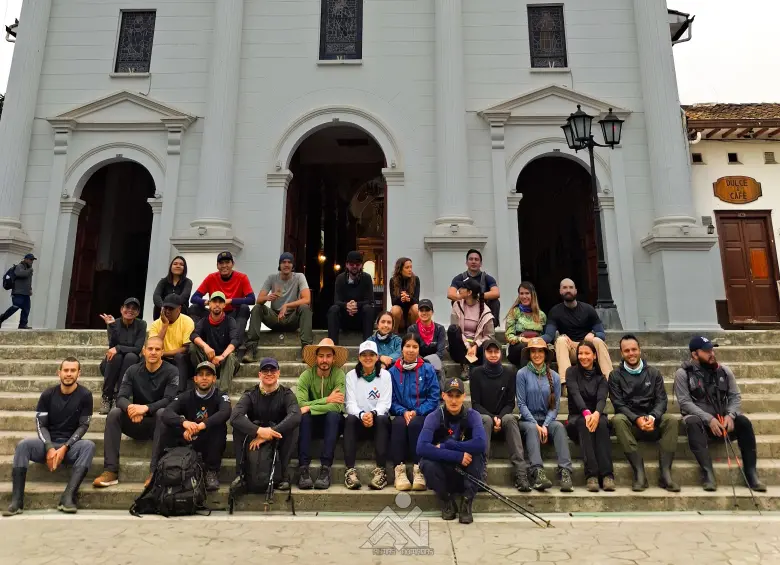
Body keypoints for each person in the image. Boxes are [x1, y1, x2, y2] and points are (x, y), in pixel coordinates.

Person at [3, 357, 95, 516]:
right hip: (47, 445)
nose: (69, 374)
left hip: (71, 447)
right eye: (66, 370)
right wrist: (50, 448)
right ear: (59, 372)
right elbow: (41, 425)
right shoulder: (47, 395)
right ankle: (17, 501)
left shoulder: (85, 395)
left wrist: (65, 447)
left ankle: (68, 497)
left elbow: (83, 426)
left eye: (73, 370)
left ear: (79, 373)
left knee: (89, 446)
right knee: (23, 445)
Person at [675, 336, 766, 492]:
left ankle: (751, 474)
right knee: (692, 422)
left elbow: (735, 396)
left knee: (744, 422)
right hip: (702, 423)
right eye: (706, 351)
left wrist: (730, 415)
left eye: (712, 349)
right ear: (694, 354)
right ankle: (708, 474)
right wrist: (708, 419)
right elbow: (685, 403)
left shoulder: (724, 371)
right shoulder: (683, 374)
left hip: (723, 421)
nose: (711, 354)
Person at [92, 336, 179, 489]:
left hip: (159, 425)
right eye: (150, 349)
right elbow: (121, 397)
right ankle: (110, 470)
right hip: (136, 421)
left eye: (157, 349)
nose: (153, 352)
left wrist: (145, 409)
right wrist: (131, 409)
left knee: (162, 413)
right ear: (144, 351)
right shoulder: (133, 370)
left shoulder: (172, 371)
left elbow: (170, 399)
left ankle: (154, 472)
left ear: (162, 352)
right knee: (114, 413)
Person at [610, 334, 680, 492]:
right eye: (626, 350)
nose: (631, 353)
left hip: (652, 422)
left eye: (634, 349)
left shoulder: (653, 373)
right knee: (618, 419)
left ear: (640, 350)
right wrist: (637, 419)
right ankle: (639, 472)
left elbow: (662, 400)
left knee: (671, 420)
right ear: (621, 354)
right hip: (631, 426)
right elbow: (618, 404)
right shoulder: (615, 376)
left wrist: (652, 417)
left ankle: (665, 473)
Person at [418, 377, 486, 525]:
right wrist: (456, 456)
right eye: (450, 396)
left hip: (466, 473)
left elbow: (481, 444)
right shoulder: (434, 417)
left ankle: (467, 502)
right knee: (426, 463)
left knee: (477, 455)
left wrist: (448, 445)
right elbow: (421, 447)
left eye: (457, 396)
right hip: (444, 474)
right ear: (443, 396)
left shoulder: (472, 415)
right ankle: (446, 500)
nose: (453, 401)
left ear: (464, 397)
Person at [156, 361, 231, 491]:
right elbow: (167, 412)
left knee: (219, 426)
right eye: (201, 375)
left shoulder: (221, 395)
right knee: (167, 422)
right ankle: (166, 467)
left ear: (214, 379)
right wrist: (183, 423)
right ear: (195, 379)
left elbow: (225, 412)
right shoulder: (185, 396)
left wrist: (201, 425)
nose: (204, 377)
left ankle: (211, 471)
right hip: (189, 437)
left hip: (209, 438)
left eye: (208, 375)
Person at [230, 357, 301, 491]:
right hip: (255, 435)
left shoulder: (287, 394)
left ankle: (284, 475)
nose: (269, 373)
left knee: (294, 426)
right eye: (265, 370)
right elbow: (235, 416)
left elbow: (296, 415)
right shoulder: (250, 393)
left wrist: (270, 432)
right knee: (238, 427)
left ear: (278, 373)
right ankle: (241, 474)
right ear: (260, 375)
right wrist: (259, 431)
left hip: (278, 435)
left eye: (273, 370)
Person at [469, 338, 530, 492]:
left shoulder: (509, 373)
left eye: (496, 351)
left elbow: (510, 403)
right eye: (490, 352)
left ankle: (521, 474)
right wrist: (492, 418)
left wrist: (500, 418)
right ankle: (480, 474)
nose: (493, 354)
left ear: (501, 354)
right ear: (485, 353)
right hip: (485, 421)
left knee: (510, 418)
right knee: (485, 419)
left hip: (503, 419)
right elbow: (475, 404)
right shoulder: (476, 373)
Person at [516, 337, 573, 492]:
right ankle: (537, 471)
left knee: (559, 427)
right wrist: (536, 424)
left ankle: (565, 471)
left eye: (540, 351)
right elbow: (521, 404)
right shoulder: (522, 374)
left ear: (545, 354)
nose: (537, 355)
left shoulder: (554, 376)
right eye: (533, 351)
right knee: (533, 429)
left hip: (547, 420)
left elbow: (554, 408)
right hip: (528, 421)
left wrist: (546, 425)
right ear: (529, 354)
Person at [389, 333, 441, 492]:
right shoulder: (392, 372)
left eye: (415, 347)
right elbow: (390, 399)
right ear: (402, 348)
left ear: (419, 349)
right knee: (397, 424)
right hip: (401, 413)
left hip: (422, 413)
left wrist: (417, 411)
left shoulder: (427, 369)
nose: (411, 350)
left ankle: (419, 468)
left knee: (416, 424)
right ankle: (399, 470)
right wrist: (403, 411)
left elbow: (434, 397)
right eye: (408, 346)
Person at [296, 338, 347, 490]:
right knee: (304, 417)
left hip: (333, 424)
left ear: (333, 358)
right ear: (316, 357)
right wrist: (327, 399)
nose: (324, 360)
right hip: (312, 424)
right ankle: (303, 468)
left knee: (333, 415)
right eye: (321, 356)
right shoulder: (306, 376)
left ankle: (325, 468)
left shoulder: (339, 375)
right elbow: (300, 404)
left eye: (328, 356)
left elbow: (337, 406)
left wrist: (311, 407)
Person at [564, 341, 615, 492]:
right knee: (584, 424)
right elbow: (575, 394)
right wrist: (587, 414)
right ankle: (591, 475)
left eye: (587, 353)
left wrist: (596, 414)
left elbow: (601, 399)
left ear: (594, 356)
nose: (583, 357)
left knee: (602, 424)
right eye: (580, 353)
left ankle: (607, 475)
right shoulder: (571, 372)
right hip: (577, 418)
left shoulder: (601, 378)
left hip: (596, 416)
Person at [244, 252, 313, 361]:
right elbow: (259, 300)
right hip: (274, 318)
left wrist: (287, 305)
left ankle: (306, 349)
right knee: (257, 308)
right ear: (279, 265)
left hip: (292, 319)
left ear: (292, 265)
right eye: (283, 262)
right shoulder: (272, 278)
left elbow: (307, 299)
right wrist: (267, 297)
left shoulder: (299, 277)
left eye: (289, 262)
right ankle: (251, 349)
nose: (286, 265)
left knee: (305, 307)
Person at [343, 341, 392, 490]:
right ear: (359, 357)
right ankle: (350, 470)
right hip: (359, 420)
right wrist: (363, 415)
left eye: (371, 354)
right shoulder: (351, 376)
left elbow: (385, 403)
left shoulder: (385, 375)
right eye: (364, 355)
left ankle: (381, 471)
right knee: (350, 419)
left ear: (377, 357)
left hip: (378, 421)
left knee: (383, 418)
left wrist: (372, 414)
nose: (368, 358)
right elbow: (349, 404)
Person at [542, 278, 612, 381]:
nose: (568, 290)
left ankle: (610, 381)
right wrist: (533, 340)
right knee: (560, 340)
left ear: (576, 291)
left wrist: (594, 335)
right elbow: (549, 336)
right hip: (571, 349)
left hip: (588, 348)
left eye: (571, 287)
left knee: (597, 340)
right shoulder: (555, 311)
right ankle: (565, 383)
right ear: (560, 291)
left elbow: (602, 334)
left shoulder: (588, 309)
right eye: (565, 288)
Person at [190, 251, 255, 345]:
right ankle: (199, 342)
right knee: (194, 308)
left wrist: (230, 301)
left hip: (233, 315)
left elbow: (251, 299)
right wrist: (209, 302)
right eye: (221, 263)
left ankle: (236, 344)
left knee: (244, 308)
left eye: (227, 262)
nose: (224, 265)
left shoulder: (242, 277)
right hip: (214, 314)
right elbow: (194, 298)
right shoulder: (211, 278)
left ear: (232, 264)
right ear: (217, 266)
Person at [97, 297, 147, 415]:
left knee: (131, 356)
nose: (130, 310)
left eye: (134, 309)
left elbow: (137, 349)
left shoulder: (141, 324)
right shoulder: (114, 323)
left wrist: (119, 348)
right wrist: (112, 327)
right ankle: (107, 397)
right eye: (127, 307)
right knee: (116, 356)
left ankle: (119, 397)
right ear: (121, 309)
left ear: (138, 312)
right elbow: (112, 347)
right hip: (113, 364)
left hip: (130, 362)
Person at [190, 291, 240, 389]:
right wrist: (206, 347)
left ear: (224, 305)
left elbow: (235, 340)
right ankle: (202, 377)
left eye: (220, 302)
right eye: (214, 301)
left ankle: (222, 393)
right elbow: (193, 335)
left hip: (225, 362)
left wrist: (222, 356)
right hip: (209, 361)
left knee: (230, 356)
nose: (217, 304)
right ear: (209, 303)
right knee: (192, 347)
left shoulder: (230, 321)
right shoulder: (204, 321)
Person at [447, 277, 495, 378]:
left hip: (477, 348)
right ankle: (465, 364)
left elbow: (489, 336)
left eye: (462, 287)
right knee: (452, 329)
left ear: (469, 292)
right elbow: (456, 329)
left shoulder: (485, 311)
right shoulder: (457, 305)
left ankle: (472, 365)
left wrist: (475, 345)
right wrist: (468, 346)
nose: (459, 289)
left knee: (489, 344)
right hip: (461, 346)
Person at [327, 250, 375, 343]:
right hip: (345, 318)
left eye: (357, 264)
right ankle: (332, 345)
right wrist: (347, 306)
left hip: (361, 318)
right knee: (333, 309)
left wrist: (356, 305)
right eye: (352, 264)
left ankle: (368, 345)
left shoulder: (366, 278)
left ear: (361, 265)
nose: (354, 267)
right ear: (347, 265)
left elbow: (370, 300)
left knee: (368, 309)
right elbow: (336, 300)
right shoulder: (340, 278)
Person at [148, 294, 194, 389]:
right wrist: (165, 325)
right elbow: (154, 346)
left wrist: (163, 353)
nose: (167, 311)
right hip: (162, 359)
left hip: (179, 360)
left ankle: (179, 394)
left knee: (179, 357)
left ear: (179, 309)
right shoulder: (156, 324)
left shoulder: (187, 321)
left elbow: (186, 348)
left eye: (171, 309)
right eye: (166, 308)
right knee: (148, 357)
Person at [447, 249, 501, 325]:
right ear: (466, 263)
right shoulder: (459, 278)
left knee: (495, 302)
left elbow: (496, 293)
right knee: (454, 301)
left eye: (476, 259)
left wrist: (477, 296)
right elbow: (450, 294)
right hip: (466, 310)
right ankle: (459, 326)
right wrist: (467, 298)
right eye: (471, 259)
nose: (473, 261)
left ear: (481, 263)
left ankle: (491, 326)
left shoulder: (487, 278)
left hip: (482, 309)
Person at [505, 282, 547, 368]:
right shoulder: (514, 312)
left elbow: (545, 335)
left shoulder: (541, 315)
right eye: (521, 293)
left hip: (536, 345)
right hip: (517, 347)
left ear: (533, 295)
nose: (524, 296)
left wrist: (536, 341)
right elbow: (509, 336)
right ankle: (525, 378)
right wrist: (523, 339)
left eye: (527, 293)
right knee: (525, 347)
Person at [408, 299, 446, 376]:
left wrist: (429, 362)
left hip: (435, 362)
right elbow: (411, 350)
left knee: (439, 370)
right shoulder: (412, 329)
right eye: (421, 310)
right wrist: (423, 363)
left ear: (432, 312)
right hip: (417, 362)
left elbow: (440, 352)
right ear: (418, 312)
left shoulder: (440, 329)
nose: (424, 313)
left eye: (427, 310)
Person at [0, 252, 36, 330]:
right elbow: (20, 274)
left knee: (26, 308)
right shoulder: (20, 266)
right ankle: (1, 318)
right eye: (30, 259)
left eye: (32, 260)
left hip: (26, 293)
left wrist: (30, 289)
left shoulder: (28, 268)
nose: (31, 261)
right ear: (26, 259)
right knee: (16, 306)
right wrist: (30, 271)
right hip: (18, 292)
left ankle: (23, 324)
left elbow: (27, 281)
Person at [152, 256, 192, 320]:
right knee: (157, 306)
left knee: (182, 307)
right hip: (164, 309)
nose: (178, 266)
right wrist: (164, 306)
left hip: (179, 311)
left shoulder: (188, 282)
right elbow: (156, 296)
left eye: (181, 264)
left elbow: (184, 297)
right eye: (175, 264)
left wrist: (172, 307)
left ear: (184, 268)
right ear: (171, 267)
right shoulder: (163, 281)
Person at [389, 257, 420, 331]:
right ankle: (394, 334)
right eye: (407, 267)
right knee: (395, 309)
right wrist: (401, 298)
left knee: (416, 307)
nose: (410, 270)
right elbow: (393, 302)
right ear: (400, 269)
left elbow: (417, 300)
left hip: (411, 316)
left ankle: (414, 333)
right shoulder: (393, 280)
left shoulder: (416, 279)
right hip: (400, 318)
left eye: (411, 267)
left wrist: (408, 298)